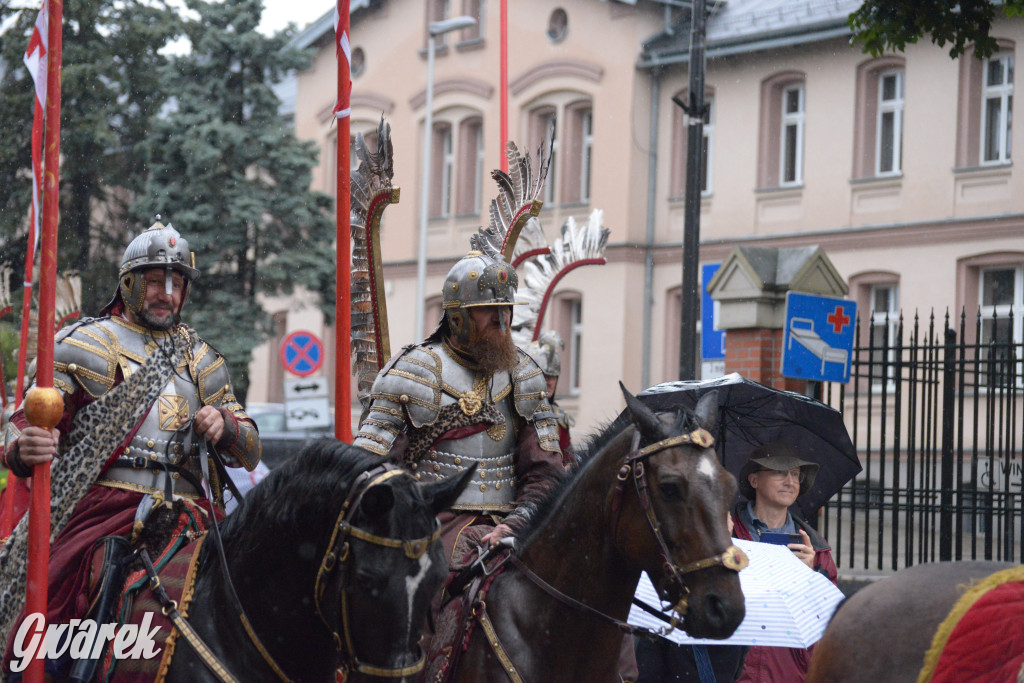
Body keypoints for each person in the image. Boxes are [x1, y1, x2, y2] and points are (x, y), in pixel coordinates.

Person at [1, 219, 261, 678]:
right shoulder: (88, 342)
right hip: (107, 508)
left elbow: (251, 449)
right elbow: (24, 422)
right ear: (129, 284)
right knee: (71, 599)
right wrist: (28, 446)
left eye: (176, 283)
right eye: (156, 281)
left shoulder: (200, 358)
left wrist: (224, 425)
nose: (167, 294)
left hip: (189, 509)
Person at [353, 250, 564, 556]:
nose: (501, 321)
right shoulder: (414, 370)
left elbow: (546, 473)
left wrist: (518, 522)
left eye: (505, 309)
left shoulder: (524, 374)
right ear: (458, 318)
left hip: (511, 523)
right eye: (488, 311)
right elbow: (370, 469)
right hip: (433, 524)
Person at [730, 442, 838, 683]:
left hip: (789, 672)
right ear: (755, 480)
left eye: (796, 474)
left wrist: (811, 575)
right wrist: (722, 544)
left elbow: (827, 621)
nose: (790, 481)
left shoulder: (816, 549)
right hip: (735, 670)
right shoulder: (727, 535)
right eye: (779, 472)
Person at [522, 331, 576, 468]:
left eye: (552, 377)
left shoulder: (560, 419)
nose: (549, 382)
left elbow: (569, 461)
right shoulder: (517, 414)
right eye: (544, 375)